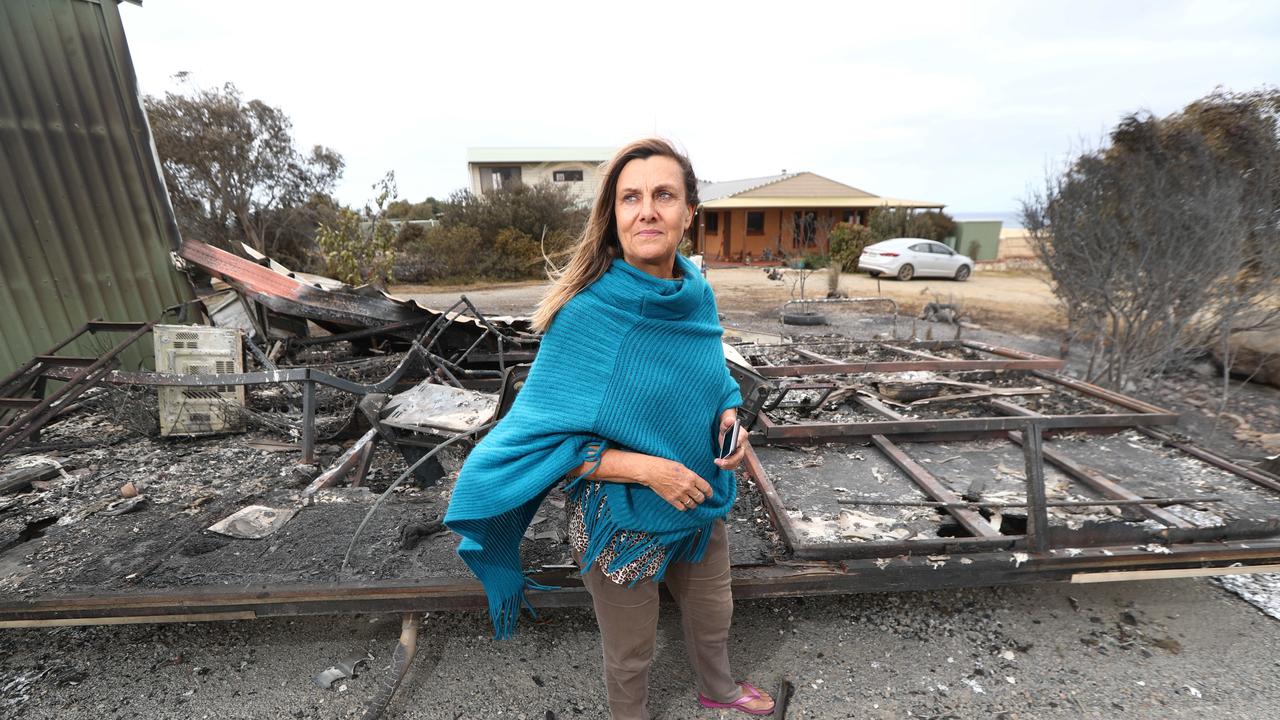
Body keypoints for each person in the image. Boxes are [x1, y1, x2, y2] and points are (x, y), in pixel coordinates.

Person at [445, 138, 775, 718]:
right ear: (614, 216)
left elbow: (711, 375)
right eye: (631, 198)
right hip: (618, 516)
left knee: (712, 611)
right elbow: (538, 446)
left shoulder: (695, 295)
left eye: (664, 195)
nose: (647, 210)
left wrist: (728, 416)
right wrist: (649, 470)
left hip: (699, 498)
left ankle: (717, 690)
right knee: (630, 649)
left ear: (689, 213)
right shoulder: (587, 316)